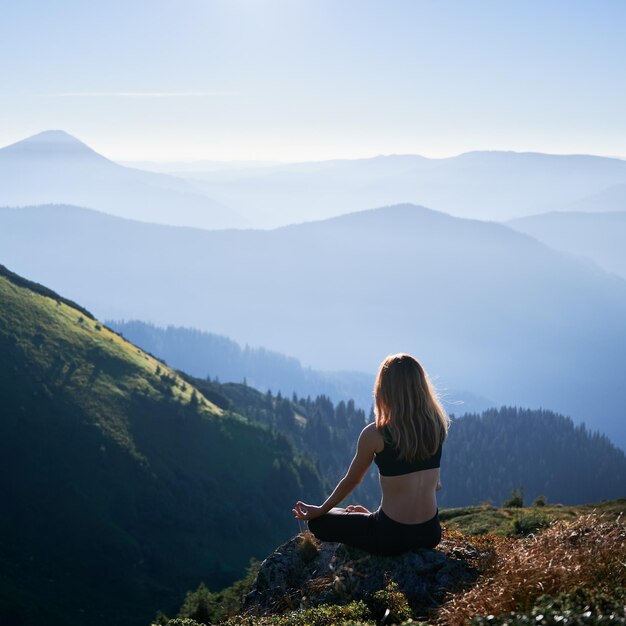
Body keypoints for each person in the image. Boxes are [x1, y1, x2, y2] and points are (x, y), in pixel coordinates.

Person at [292, 353, 449, 556]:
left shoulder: (376, 433)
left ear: (385, 389)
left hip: (390, 536)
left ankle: (369, 519)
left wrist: (320, 510)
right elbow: (435, 485)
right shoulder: (436, 426)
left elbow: (352, 480)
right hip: (430, 533)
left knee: (320, 523)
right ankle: (372, 518)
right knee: (356, 516)